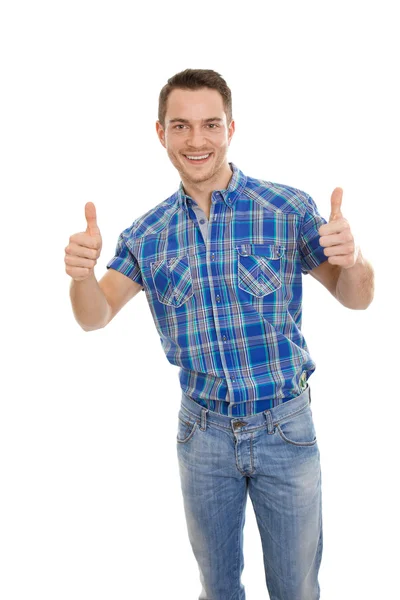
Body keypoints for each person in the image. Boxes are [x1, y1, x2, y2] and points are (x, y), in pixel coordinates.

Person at [65, 69, 374, 600]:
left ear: (231, 127)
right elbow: (95, 316)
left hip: (286, 428)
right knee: (217, 588)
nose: (197, 140)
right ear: (160, 133)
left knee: (296, 588)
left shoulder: (286, 208)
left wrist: (356, 259)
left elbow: (356, 296)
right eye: (180, 126)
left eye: (210, 125)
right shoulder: (146, 234)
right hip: (202, 436)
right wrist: (81, 278)